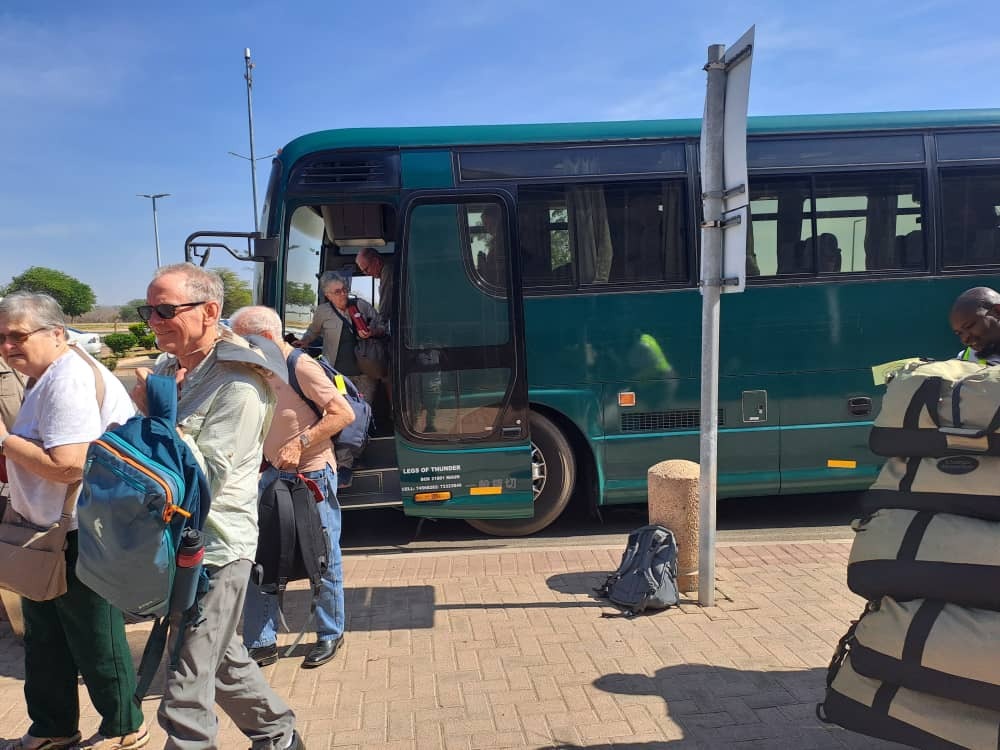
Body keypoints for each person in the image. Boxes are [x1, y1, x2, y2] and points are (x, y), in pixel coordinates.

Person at [132, 264, 303, 750]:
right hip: (173, 543)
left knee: (185, 688)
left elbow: (205, 475)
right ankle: (279, 736)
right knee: (223, 663)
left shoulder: (241, 383)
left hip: (218, 547)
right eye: (150, 310)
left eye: (167, 309)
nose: (155, 320)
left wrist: (155, 416)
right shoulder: (166, 370)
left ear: (210, 311)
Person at [0, 292, 147, 750]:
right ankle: (53, 726)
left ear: (56, 334)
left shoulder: (68, 380)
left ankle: (125, 727)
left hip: (80, 531)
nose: (7, 346)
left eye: (18, 335)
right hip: (48, 530)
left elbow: (70, 465)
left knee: (94, 634)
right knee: (44, 638)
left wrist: (3, 440)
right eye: (1, 337)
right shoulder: (49, 374)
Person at [230, 306, 355, 670]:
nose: (240, 346)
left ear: (265, 338)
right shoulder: (256, 368)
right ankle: (261, 641)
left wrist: (299, 443)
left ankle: (330, 633)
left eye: (245, 339)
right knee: (262, 557)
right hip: (270, 474)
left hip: (311, 475)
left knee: (322, 555)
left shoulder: (299, 366)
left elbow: (342, 413)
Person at [949, 286, 1000, 365]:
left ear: (997, 311)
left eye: (969, 326)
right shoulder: (964, 357)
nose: (965, 339)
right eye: (959, 333)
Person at [356, 247, 393, 321]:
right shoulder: (385, 273)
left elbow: (385, 309)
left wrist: (379, 325)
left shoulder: (387, 271)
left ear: (376, 261)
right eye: (363, 272)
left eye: (366, 269)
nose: (366, 274)